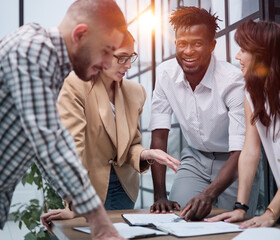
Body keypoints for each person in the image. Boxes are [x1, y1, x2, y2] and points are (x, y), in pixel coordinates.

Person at [0, 0, 129, 239]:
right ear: (80, 34)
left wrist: (72, 199)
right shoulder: (33, 49)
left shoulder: (51, 63)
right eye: (106, 51)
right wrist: (100, 223)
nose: (108, 63)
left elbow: (36, 145)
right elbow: (50, 140)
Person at [40, 31, 180, 227]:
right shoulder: (75, 85)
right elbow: (73, 149)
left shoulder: (136, 92)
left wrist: (147, 153)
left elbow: (130, 145)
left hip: (124, 187)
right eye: (122, 58)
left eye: (131, 57)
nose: (129, 66)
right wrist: (76, 205)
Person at [205, 20, 280, 236]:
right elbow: (250, 152)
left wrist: (270, 212)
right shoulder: (252, 94)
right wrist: (241, 207)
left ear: (263, 54)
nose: (237, 57)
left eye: (243, 50)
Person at [148, 6, 260, 221]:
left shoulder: (233, 82)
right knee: (180, 218)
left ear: (211, 46)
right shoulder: (165, 74)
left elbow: (241, 150)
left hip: (233, 160)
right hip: (195, 157)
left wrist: (208, 195)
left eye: (197, 44)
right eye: (182, 44)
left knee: (232, 225)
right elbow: (159, 136)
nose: (188, 51)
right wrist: (160, 195)